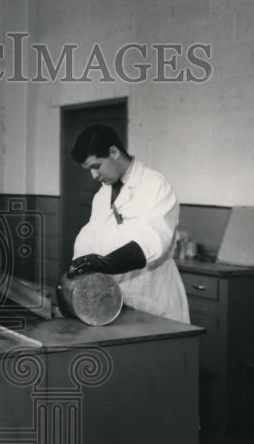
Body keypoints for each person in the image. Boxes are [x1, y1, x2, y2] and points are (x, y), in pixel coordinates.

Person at [67, 124, 189, 324]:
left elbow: (153, 242)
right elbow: (90, 235)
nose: (94, 176)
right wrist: (81, 263)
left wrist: (107, 263)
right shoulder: (102, 195)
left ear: (113, 152)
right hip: (116, 302)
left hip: (153, 300)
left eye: (96, 166)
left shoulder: (155, 185)